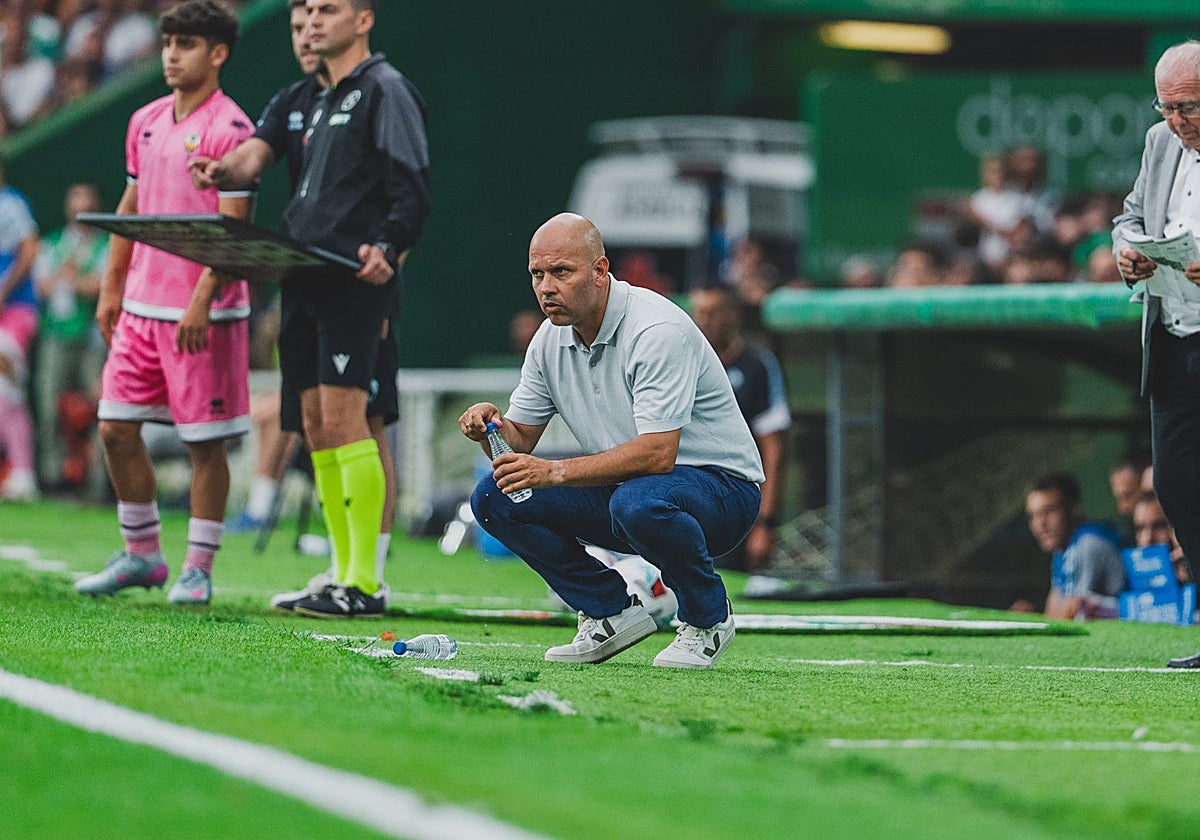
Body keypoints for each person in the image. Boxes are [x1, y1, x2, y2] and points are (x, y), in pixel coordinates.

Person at [192, 0, 430, 618]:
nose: (313, 23)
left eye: (327, 10)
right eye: (303, 14)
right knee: (319, 426)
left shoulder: (386, 89)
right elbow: (251, 157)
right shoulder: (302, 96)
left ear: (364, 19)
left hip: (355, 278)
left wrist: (388, 246)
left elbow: (412, 185)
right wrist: (220, 169)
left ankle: (365, 581)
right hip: (298, 275)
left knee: (351, 422)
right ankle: (340, 572)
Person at [459, 213, 763, 669]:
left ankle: (708, 620)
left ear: (600, 271)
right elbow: (519, 442)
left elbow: (658, 454)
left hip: (723, 491)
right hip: (631, 489)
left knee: (637, 502)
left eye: (561, 272)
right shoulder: (548, 340)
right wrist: (492, 428)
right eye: (537, 274)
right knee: (495, 497)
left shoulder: (656, 330)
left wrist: (553, 472)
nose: (546, 288)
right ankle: (610, 612)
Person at [73, 0, 255, 605]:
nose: (172, 55)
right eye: (167, 43)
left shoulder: (233, 129)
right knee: (114, 429)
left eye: (186, 44)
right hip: (140, 310)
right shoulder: (144, 121)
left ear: (218, 53)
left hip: (206, 315)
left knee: (204, 442)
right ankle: (142, 555)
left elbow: (235, 227)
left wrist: (203, 298)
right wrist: (111, 287)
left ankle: (198, 569)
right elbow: (131, 210)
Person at [1111, 40, 1200, 661]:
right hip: (1170, 338)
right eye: (1166, 106)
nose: (1175, 120)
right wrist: (1127, 251)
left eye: (1188, 106)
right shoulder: (1158, 141)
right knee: (1174, 484)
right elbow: (1130, 216)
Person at [689, 285, 789, 572]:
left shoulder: (757, 365)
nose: (703, 321)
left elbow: (773, 449)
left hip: (733, 505)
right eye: (698, 312)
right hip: (684, 501)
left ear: (733, 315)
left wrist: (765, 524)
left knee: (725, 584)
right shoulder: (681, 362)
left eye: (712, 312)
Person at [33, 182, 109, 493]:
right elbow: (42, 286)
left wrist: (73, 279)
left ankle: (97, 483)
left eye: (87, 204)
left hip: (92, 337)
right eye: (76, 203)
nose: (81, 210)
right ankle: (53, 477)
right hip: (56, 334)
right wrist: (70, 278)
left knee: (97, 408)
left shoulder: (106, 244)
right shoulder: (53, 243)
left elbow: (102, 285)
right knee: (50, 405)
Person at [1020, 472, 1125, 620]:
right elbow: (1053, 613)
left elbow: (1073, 614)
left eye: (1048, 511)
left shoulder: (1089, 544)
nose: (1040, 524)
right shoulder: (1062, 548)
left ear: (1073, 509)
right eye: (1033, 516)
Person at [0, 158, 41, 502]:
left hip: (15, 311)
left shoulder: (11, 205)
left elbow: (30, 249)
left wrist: (3, 290)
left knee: (9, 390)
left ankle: (24, 472)